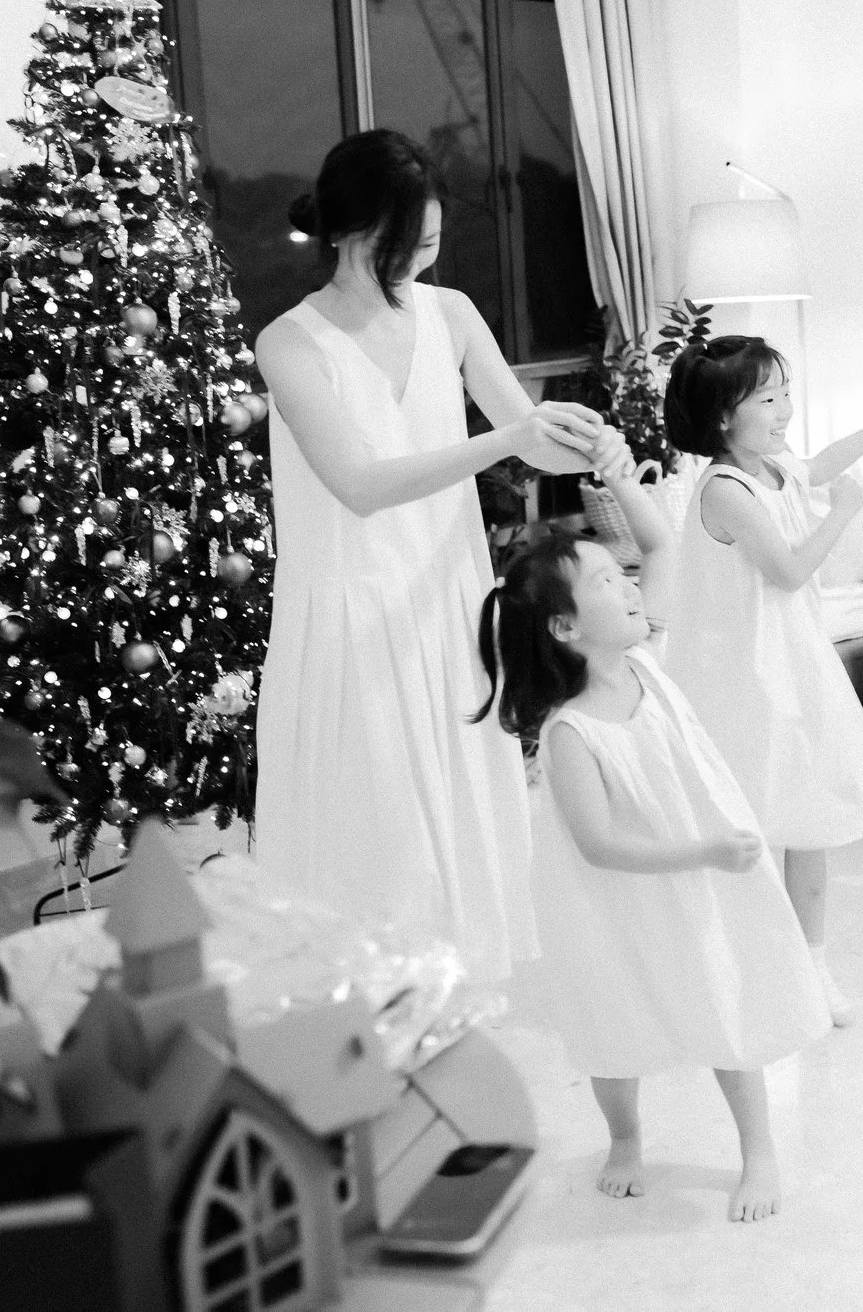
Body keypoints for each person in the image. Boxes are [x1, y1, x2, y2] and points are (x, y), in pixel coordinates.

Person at [252, 129, 603, 982]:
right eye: (402, 247)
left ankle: (455, 982)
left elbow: (530, 433)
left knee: (452, 806)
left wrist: (585, 444)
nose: (418, 264)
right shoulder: (289, 344)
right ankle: (369, 996)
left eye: (433, 246)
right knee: (376, 822)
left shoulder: (450, 313)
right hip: (353, 609)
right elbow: (360, 484)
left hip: (446, 595)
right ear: (347, 233)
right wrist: (507, 440)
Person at [474, 534, 828, 1223]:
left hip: (692, 875)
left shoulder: (646, 665)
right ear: (566, 628)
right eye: (607, 580)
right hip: (612, 898)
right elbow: (600, 845)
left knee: (724, 999)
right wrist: (702, 850)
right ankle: (625, 1137)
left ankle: (758, 1150)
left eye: (621, 573)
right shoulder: (572, 732)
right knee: (614, 1019)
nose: (631, 586)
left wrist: (614, 471)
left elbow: (663, 547)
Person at [660, 336, 863, 1025]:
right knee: (746, 828)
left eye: (784, 392)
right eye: (766, 398)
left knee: (808, 823)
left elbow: (817, 465)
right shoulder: (726, 488)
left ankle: (813, 967)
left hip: (792, 665)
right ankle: (730, 968)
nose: (783, 409)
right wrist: (844, 511)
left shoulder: (772, 468)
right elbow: (790, 569)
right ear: (721, 418)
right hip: (741, 677)